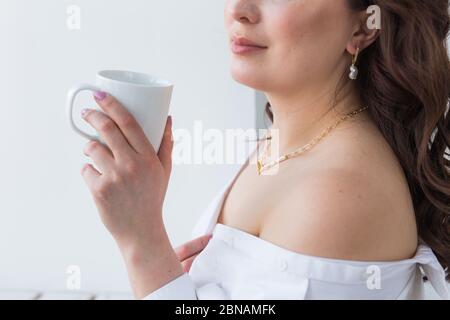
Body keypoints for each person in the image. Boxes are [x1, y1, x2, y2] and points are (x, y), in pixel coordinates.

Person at [79, 0, 450, 299]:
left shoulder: (339, 192)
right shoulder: (283, 145)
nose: (239, 9)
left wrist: (142, 242)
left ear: (362, 27)